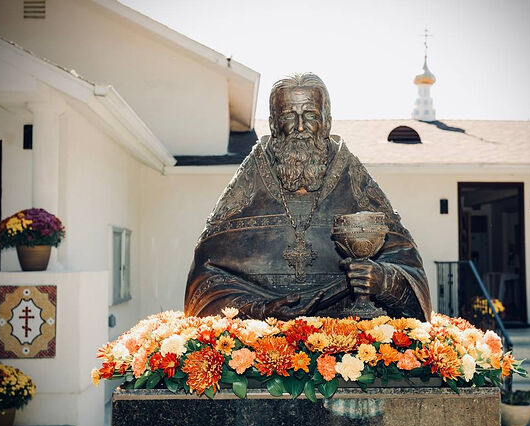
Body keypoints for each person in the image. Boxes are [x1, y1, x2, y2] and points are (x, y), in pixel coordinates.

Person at [185, 73, 431, 321]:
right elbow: (205, 282)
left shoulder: (353, 179)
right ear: (273, 124)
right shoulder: (249, 182)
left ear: (327, 122)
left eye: (311, 115)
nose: (300, 127)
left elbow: (412, 272)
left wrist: (384, 280)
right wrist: (261, 309)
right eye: (289, 116)